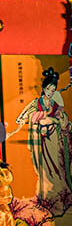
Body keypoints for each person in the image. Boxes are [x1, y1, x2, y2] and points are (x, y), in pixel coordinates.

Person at [9, 67, 71, 209]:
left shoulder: (55, 105)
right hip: (41, 139)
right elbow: (25, 114)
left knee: (56, 166)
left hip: (53, 138)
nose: (50, 92)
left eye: (53, 90)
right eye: (48, 89)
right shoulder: (37, 103)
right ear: (43, 88)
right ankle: (46, 199)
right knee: (43, 168)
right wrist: (26, 119)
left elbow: (63, 120)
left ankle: (59, 198)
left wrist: (56, 121)